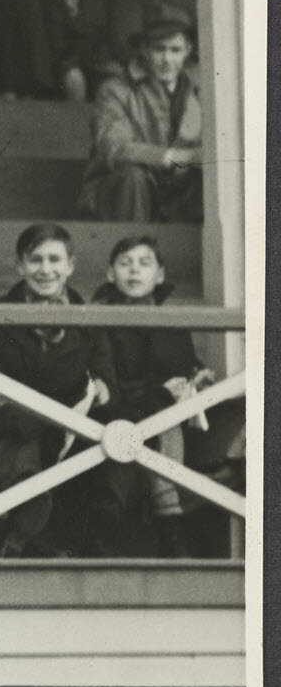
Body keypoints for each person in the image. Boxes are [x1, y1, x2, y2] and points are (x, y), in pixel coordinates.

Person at [0, 224, 122, 558]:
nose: (45, 269)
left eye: (54, 260)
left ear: (70, 266)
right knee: (20, 435)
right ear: (20, 266)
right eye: (35, 260)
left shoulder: (90, 320)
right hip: (9, 430)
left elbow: (106, 379)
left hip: (71, 431)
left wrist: (98, 390)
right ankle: (23, 537)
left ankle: (66, 541)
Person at [90, 234, 224, 556]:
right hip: (122, 417)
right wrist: (164, 396)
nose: (134, 270)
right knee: (166, 422)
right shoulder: (99, 320)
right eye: (125, 263)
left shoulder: (172, 323)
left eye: (144, 263)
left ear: (160, 274)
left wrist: (198, 377)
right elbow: (110, 385)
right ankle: (170, 524)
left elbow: (183, 365)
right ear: (110, 273)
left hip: (166, 419)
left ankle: (173, 520)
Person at [79, 16, 203, 223]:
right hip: (125, 190)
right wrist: (178, 157)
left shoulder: (200, 89)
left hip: (178, 190)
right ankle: (134, 242)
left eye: (175, 50)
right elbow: (114, 147)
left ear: (188, 51)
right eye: (159, 49)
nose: (167, 59)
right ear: (144, 50)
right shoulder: (115, 90)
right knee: (133, 175)